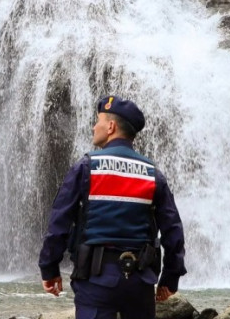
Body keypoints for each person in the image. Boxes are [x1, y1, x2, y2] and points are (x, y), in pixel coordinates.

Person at [39, 95, 186, 319]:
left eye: (98, 121)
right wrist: (170, 277)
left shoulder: (87, 166)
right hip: (140, 282)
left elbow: (59, 222)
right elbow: (173, 230)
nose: (93, 126)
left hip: (95, 281)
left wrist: (49, 268)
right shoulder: (153, 174)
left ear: (110, 126)